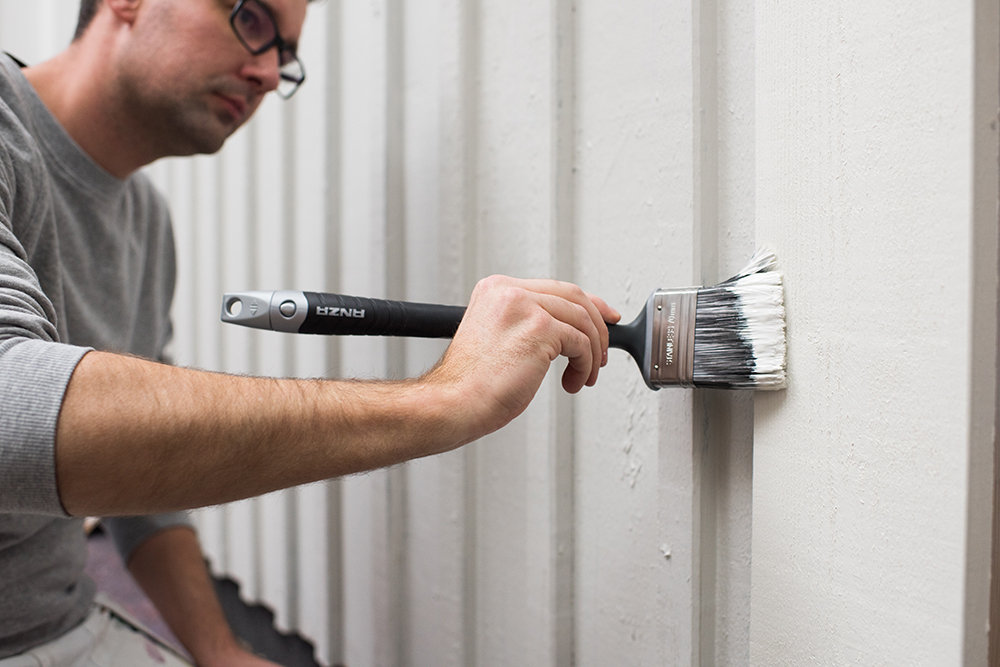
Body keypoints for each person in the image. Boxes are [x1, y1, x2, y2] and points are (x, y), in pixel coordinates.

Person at [0, 0, 619, 664]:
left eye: (285, 56)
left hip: (58, 622)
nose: (269, 74)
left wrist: (220, 650)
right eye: (253, 20)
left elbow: (140, 482)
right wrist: (445, 398)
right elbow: (13, 408)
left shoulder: (146, 225)